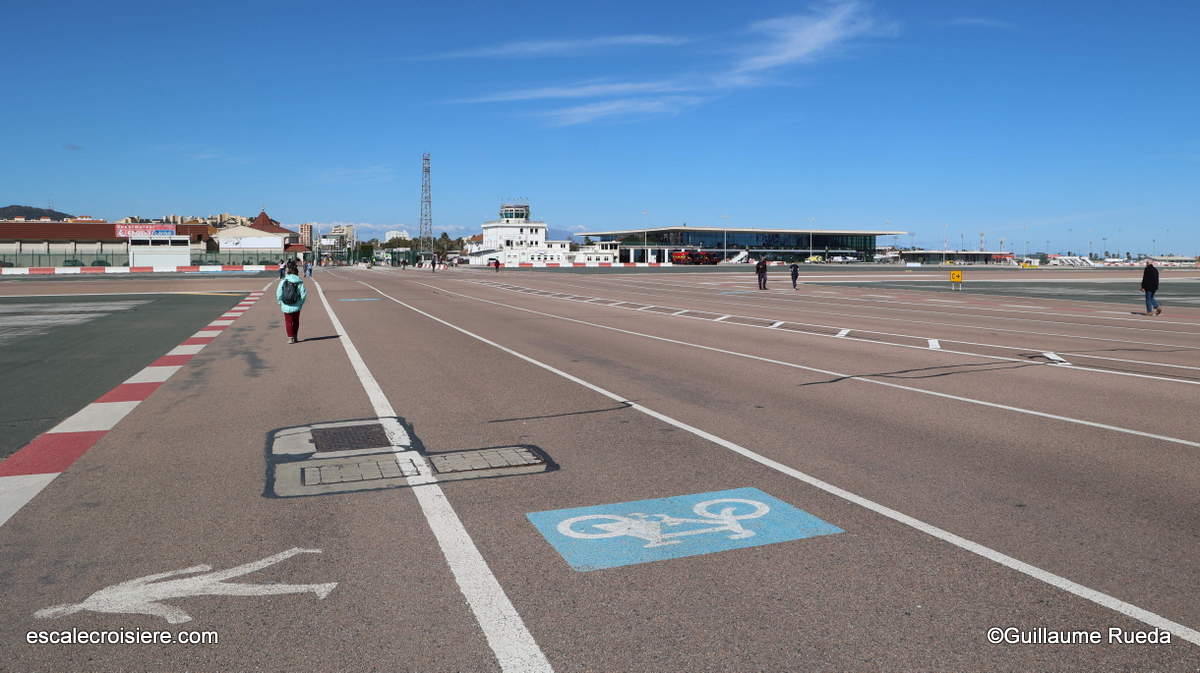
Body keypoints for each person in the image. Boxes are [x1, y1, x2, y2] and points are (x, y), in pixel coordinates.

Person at [276, 260, 307, 344]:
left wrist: (280, 302)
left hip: (286, 305)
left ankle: (290, 338)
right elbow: (303, 294)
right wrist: (300, 303)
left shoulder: (283, 281)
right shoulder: (299, 281)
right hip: (296, 305)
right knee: (296, 321)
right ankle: (295, 336)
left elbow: (279, 293)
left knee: (288, 321)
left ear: (287, 270)